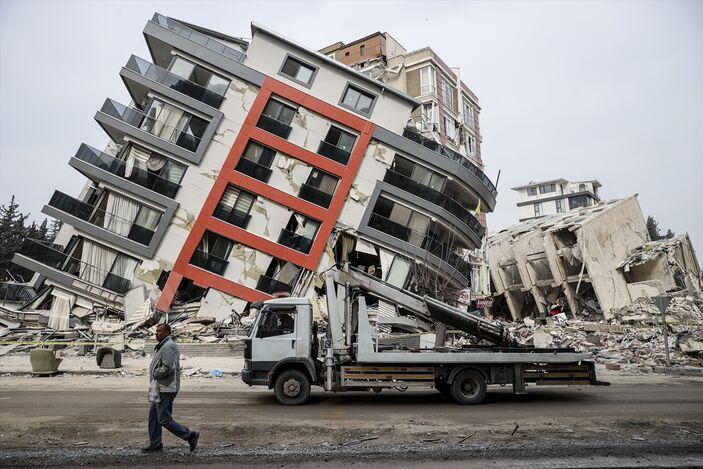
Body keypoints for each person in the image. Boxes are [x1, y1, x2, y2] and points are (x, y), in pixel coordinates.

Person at [142, 323, 199, 453]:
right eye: (156, 330)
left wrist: (155, 373)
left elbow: (168, 367)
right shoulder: (163, 345)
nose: (156, 333)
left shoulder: (168, 346)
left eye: (160, 331)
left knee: (164, 419)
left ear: (167, 332)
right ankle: (156, 443)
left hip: (166, 388)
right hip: (159, 387)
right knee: (153, 417)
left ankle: (190, 435)